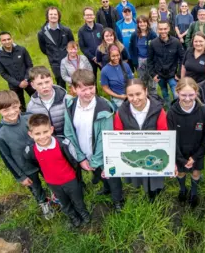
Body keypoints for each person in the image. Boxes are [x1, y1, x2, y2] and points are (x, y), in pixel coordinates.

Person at [63, 69, 124, 212]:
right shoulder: (70, 106)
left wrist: (96, 160)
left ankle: (118, 199)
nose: (88, 92)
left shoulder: (104, 107)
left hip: (104, 154)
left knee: (112, 176)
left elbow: (105, 137)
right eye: (83, 89)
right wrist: (81, 158)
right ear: (74, 89)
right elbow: (69, 133)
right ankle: (106, 188)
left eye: (91, 88)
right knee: (100, 175)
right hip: (85, 154)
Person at [0, 90, 54, 220]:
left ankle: (57, 196)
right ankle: (43, 203)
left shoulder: (30, 118)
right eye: (5, 110)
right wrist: (20, 176)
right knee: (35, 188)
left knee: (52, 180)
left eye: (14, 107)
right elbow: (7, 158)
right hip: (25, 167)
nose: (11, 112)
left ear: (19, 103)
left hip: (43, 160)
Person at [25, 114, 91, 228]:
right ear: (30, 134)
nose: (42, 137)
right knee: (64, 202)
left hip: (70, 180)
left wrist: (77, 177)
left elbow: (73, 161)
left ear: (51, 129)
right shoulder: (30, 151)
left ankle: (83, 213)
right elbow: (35, 164)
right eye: (37, 134)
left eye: (45, 132)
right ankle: (73, 216)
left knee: (78, 199)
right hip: (53, 183)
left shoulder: (63, 144)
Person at [113, 79, 168, 202]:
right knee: (140, 171)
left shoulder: (158, 110)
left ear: (146, 91)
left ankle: (155, 191)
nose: (135, 99)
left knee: (154, 173)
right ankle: (145, 188)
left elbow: (163, 132)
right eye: (130, 95)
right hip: (134, 152)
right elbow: (118, 133)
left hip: (154, 151)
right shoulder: (121, 112)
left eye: (138, 94)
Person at [167, 77, 205, 207]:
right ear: (177, 92)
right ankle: (182, 189)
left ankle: (194, 193)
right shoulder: (171, 113)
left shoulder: (204, 112)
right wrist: (180, 159)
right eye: (183, 95)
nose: (187, 99)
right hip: (179, 152)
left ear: (196, 92)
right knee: (181, 172)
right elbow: (170, 137)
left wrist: (196, 156)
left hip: (197, 151)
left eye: (191, 95)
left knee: (196, 172)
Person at [0, 31, 35, 112]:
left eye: (9, 39)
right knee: (19, 106)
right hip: (14, 85)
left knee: (37, 99)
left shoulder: (22, 50)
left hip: (28, 81)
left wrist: (26, 79)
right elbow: (3, 73)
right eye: (4, 40)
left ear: (12, 39)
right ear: (0, 42)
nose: (7, 41)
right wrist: (18, 83)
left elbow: (29, 66)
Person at [147, 20, 185, 107]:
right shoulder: (153, 43)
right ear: (157, 30)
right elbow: (150, 60)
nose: (163, 31)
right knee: (164, 93)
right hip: (160, 75)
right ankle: (168, 109)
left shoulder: (176, 42)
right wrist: (153, 74)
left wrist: (179, 74)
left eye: (165, 29)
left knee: (176, 94)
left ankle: (177, 108)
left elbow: (183, 58)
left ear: (168, 29)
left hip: (173, 74)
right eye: (160, 29)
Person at [37, 6, 74, 89]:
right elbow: (43, 49)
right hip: (55, 63)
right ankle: (62, 99)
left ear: (58, 16)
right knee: (60, 82)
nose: (53, 16)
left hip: (69, 60)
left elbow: (72, 44)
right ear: (47, 16)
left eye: (55, 14)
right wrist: (53, 55)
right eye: (51, 14)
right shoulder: (42, 33)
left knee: (73, 80)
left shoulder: (66, 30)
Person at [27, 66, 69, 136]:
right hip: (47, 141)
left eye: (47, 82)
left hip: (67, 138)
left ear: (52, 80)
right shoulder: (31, 107)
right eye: (40, 84)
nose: (44, 86)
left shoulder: (66, 99)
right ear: (33, 85)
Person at [129, 15, 158, 94]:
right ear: (138, 24)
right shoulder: (135, 35)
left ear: (147, 23)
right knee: (142, 81)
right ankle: (145, 97)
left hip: (151, 61)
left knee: (152, 82)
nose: (142, 24)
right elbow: (131, 48)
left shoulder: (152, 34)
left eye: (144, 22)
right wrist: (134, 61)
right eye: (140, 22)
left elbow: (157, 48)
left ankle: (154, 98)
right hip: (140, 60)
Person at [101, 44, 134, 108]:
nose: (116, 58)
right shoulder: (105, 70)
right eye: (113, 56)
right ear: (109, 56)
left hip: (129, 95)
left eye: (117, 55)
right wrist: (119, 96)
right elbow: (105, 88)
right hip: (117, 99)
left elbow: (131, 80)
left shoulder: (125, 65)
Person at [78, 7, 104, 83]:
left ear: (94, 16)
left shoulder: (100, 27)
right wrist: (93, 57)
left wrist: (101, 55)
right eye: (87, 15)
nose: (89, 16)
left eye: (91, 14)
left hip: (102, 56)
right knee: (92, 78)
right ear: (84, 17)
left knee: (108, 74)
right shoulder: (81, 31)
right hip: (90, 59)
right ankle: (94, 93)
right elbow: (83, 47)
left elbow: (104, 41)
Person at [115, 6, 137, 71]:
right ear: (122, 13)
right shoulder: (118, 24)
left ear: (131, 12)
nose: (127, 13)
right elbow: (116, 39)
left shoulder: (137, 23)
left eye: (128, 11)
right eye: (125, 12)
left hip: (136, 53)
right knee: (128, 74)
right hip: (125, 54)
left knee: (141, 73)